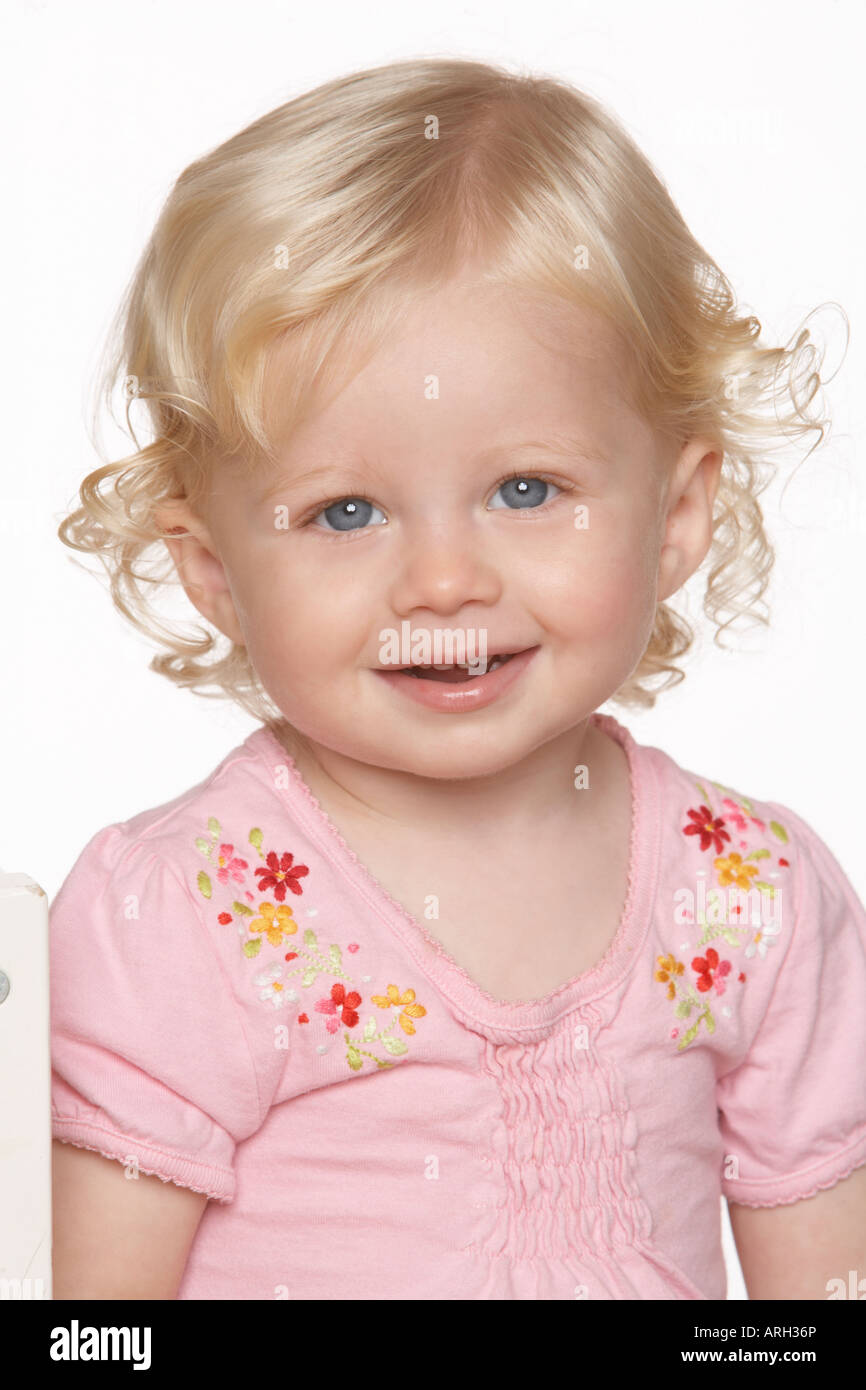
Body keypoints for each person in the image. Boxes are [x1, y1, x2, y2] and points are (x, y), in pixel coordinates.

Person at [50, 56, 866, 1300]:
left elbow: (818, 1305)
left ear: (678, 511)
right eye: (343, 511)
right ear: (212, 569)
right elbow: (91, 1326)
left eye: (525, 490)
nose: (441, 581)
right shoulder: (187, 911)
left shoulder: (747, 889)